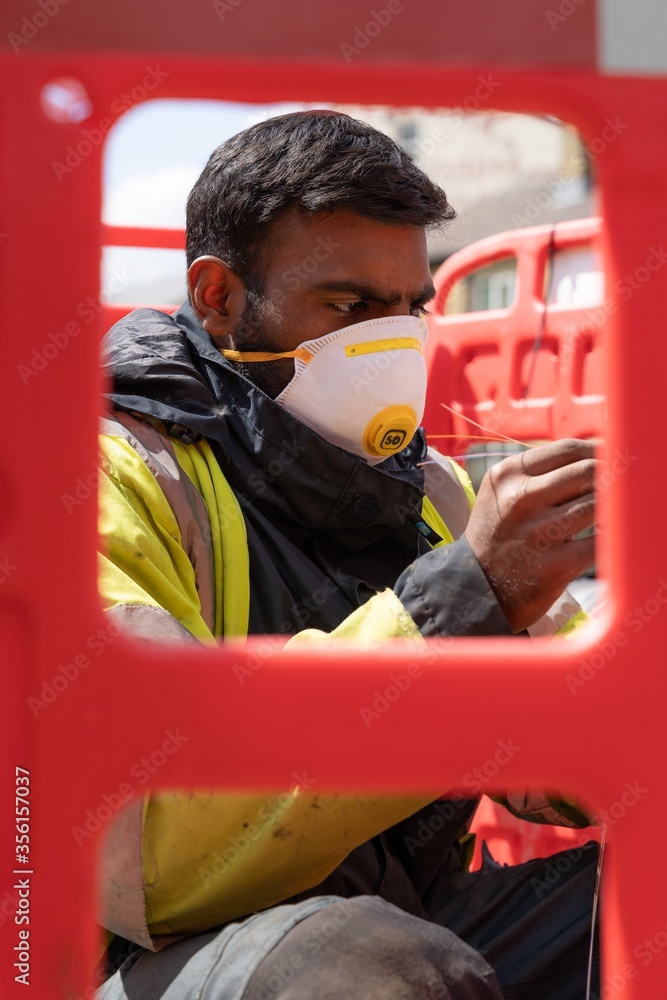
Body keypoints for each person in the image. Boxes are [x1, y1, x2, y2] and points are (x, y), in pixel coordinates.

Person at [96, 111, 599, 1000]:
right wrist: (462, 601)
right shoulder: (117, 477)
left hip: (419, 927)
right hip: (162, 960)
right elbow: (152, 855)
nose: (392, 341)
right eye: (348, 306)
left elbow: (573, 764)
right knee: (359, 962)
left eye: (411, 308)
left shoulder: (435, 491)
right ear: (217, 297)